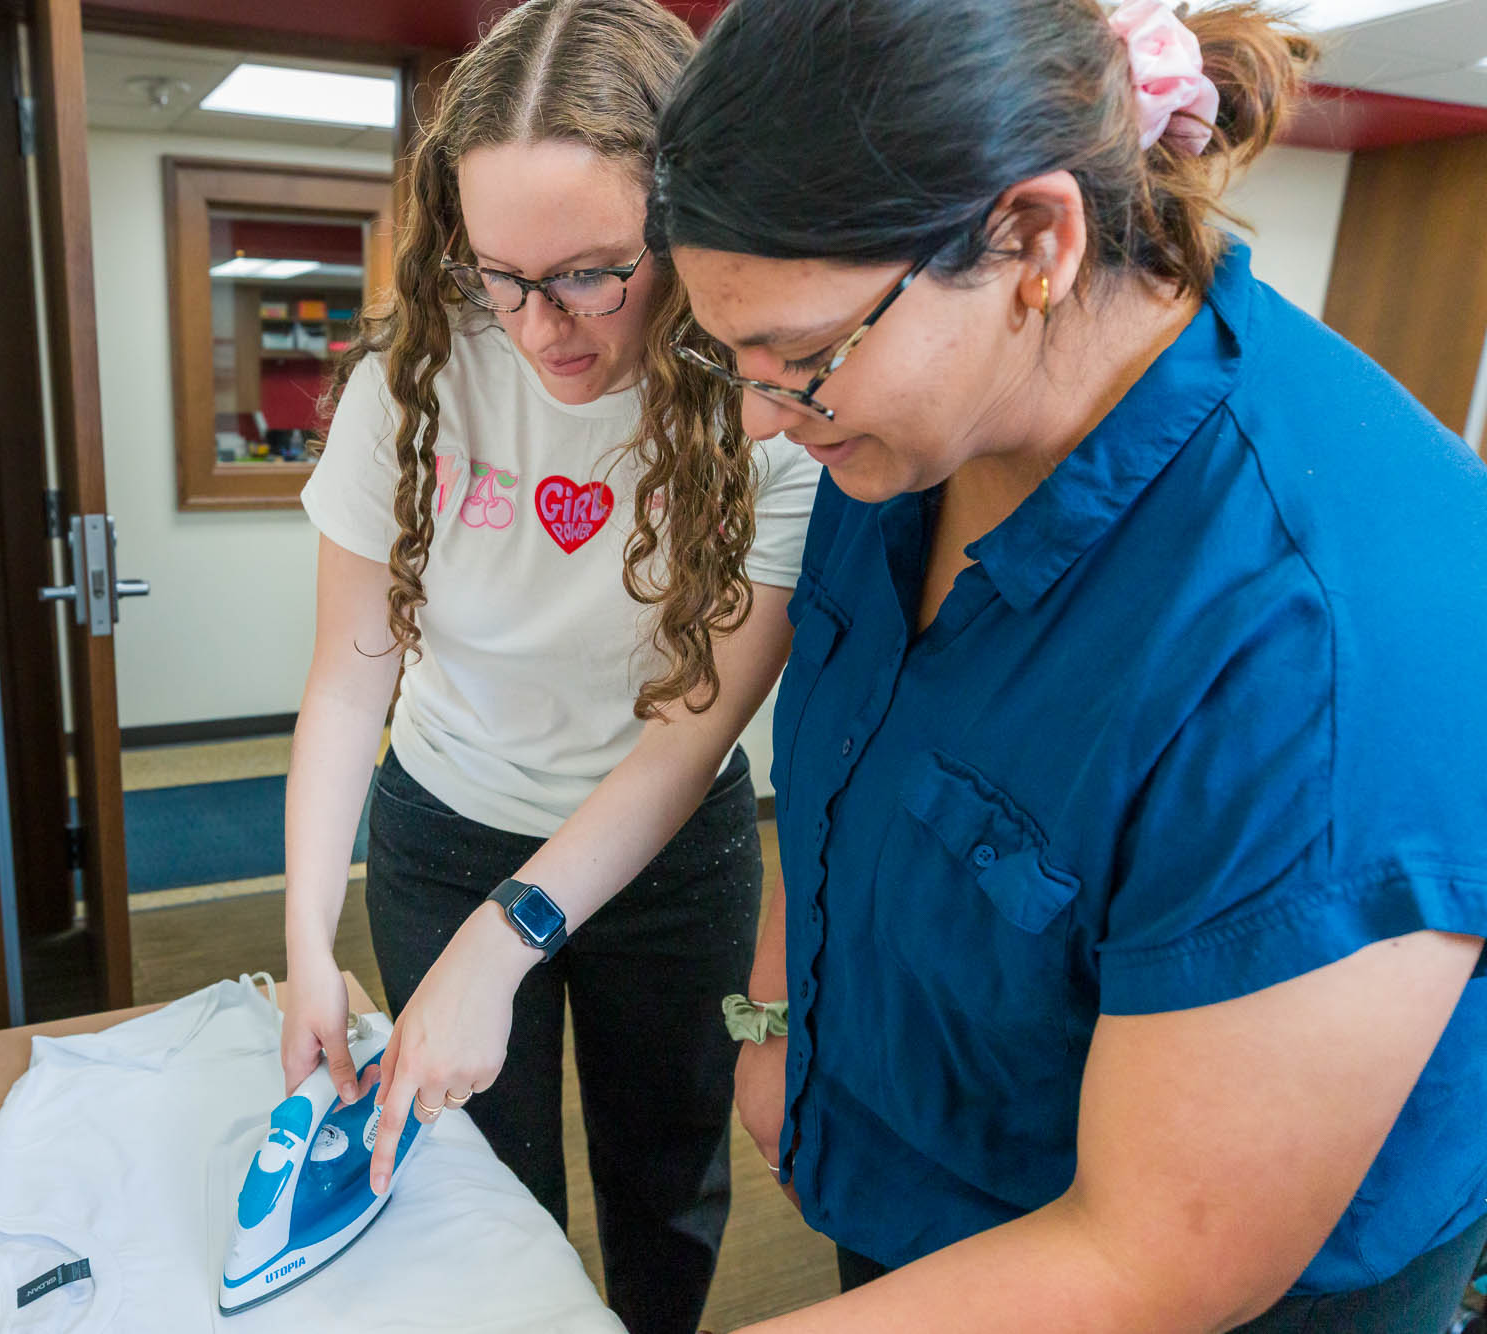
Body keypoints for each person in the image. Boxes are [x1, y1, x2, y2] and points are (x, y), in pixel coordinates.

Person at [639, 0, 1487, 1329]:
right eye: (727, 352)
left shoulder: (1319, 630)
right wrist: (773, 1018)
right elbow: (840, 758)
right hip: (930, 1188)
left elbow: (1153, 1258)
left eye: (797, 354)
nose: (758, 413)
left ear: (1035, 239)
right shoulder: (901, 426)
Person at [278, 2, 820, 1330]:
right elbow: (350, 682)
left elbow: (688, 735)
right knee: (476, 1183)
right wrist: (302, 944)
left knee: (664, 1180)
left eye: (592, 272)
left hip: (667, 855)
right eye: (501, 276)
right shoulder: (410, 377)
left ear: (685, 223)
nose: (544, 328)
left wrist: (515, 930)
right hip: (443, 828)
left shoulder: (772, 394)